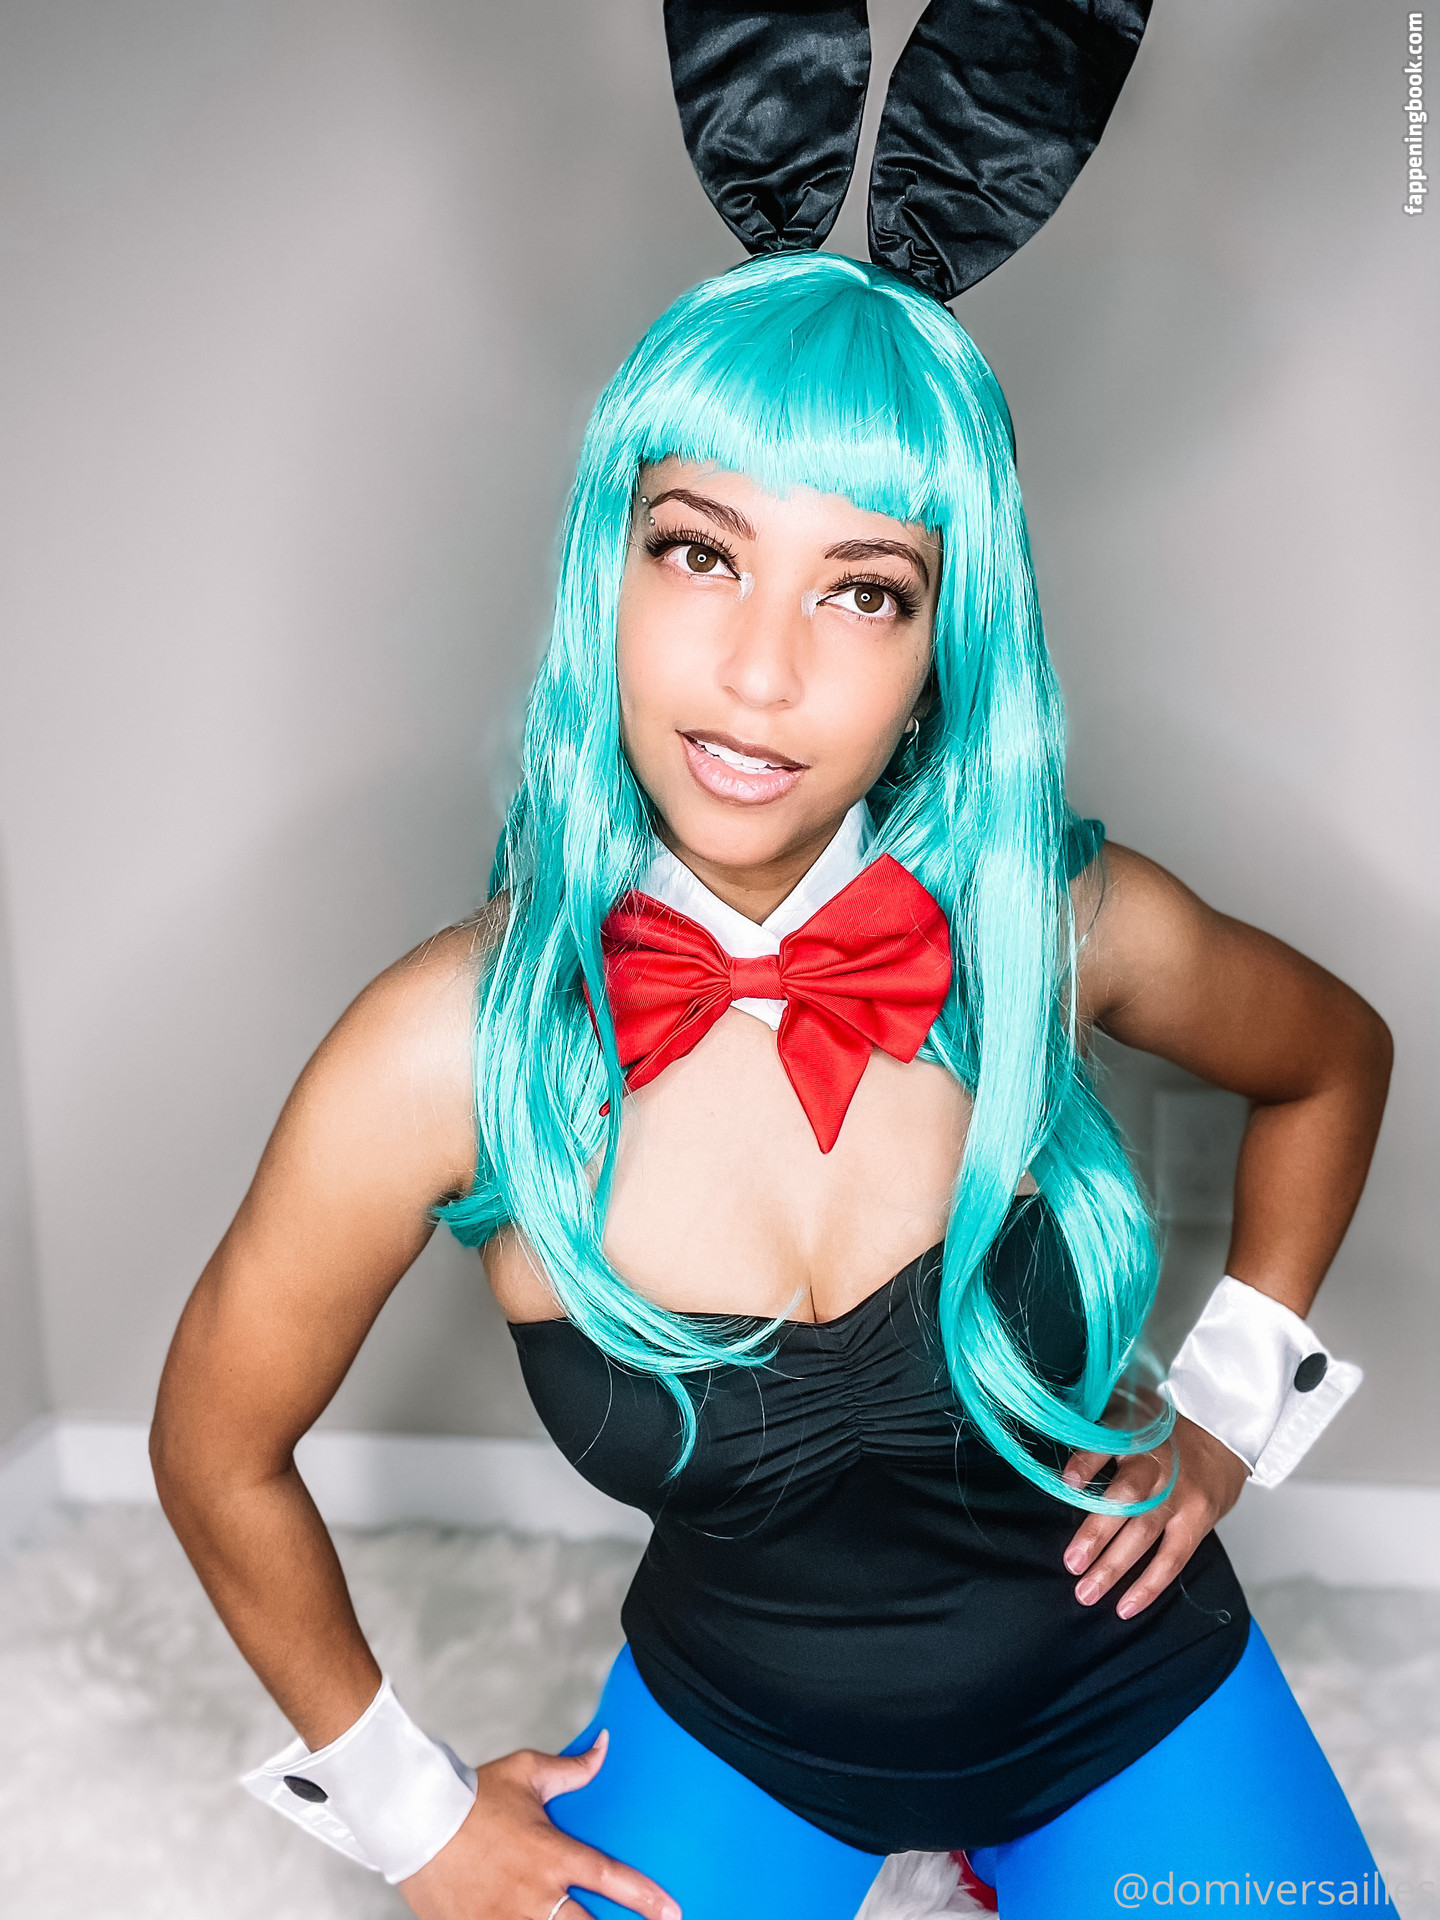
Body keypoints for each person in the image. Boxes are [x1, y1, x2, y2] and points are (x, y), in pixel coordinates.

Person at [151, 247, 1392, 1920]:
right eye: (700, 552)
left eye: (861, 591)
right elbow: (215, 1444)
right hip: (740, 1737)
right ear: (608, 566)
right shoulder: (448, 1050)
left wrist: (1235, 1408)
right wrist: (412, 1815)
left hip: (1131, 1698)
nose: (758, 672)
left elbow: (1332, 1059)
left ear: (946, 643)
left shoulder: (1052, 925)